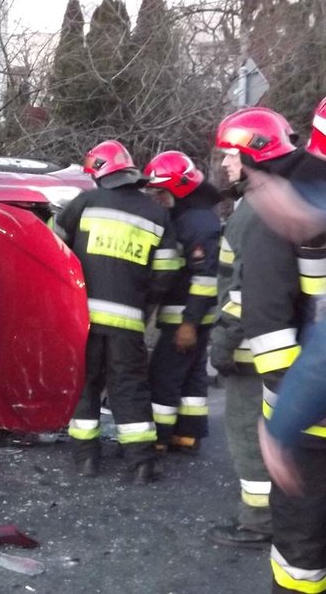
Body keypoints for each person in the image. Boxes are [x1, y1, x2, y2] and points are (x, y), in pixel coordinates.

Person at [217, 102, 326, 593]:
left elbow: (267, 319)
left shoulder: (273, 211)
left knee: (302, 557)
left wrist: (286, 413)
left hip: (309, 423)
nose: (223, 165)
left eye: (229, 154)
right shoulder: (295, 201)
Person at [57, 140, 178, 484]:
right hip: (128, 322)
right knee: (130, 388)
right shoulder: (156, 214)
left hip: (83, 319)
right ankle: (141, 464)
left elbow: (54, 247)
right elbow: (166, 272)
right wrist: (142, 303)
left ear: (98, 173)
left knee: (85, 386)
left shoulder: (85, 203)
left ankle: (86, 460)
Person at [205, 140, 272, 547]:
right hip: (271, 347)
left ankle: (258, 523)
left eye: (233, 154)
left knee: (248, 434)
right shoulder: (271, 202)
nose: (227, 163)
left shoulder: (253, 212)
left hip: (251, 350)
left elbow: (244, 289)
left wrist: (222, 345)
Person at [145, 151, 221, 455]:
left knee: (165, 376)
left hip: (186, 317)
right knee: (192, 376)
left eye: (160, 192)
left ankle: (159, 438)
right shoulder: (193, 216)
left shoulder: (197, 223)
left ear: (176, 188)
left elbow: (204, 278)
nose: (158, 199)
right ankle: (187, 435)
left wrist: (188, 323)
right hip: (192, 316)